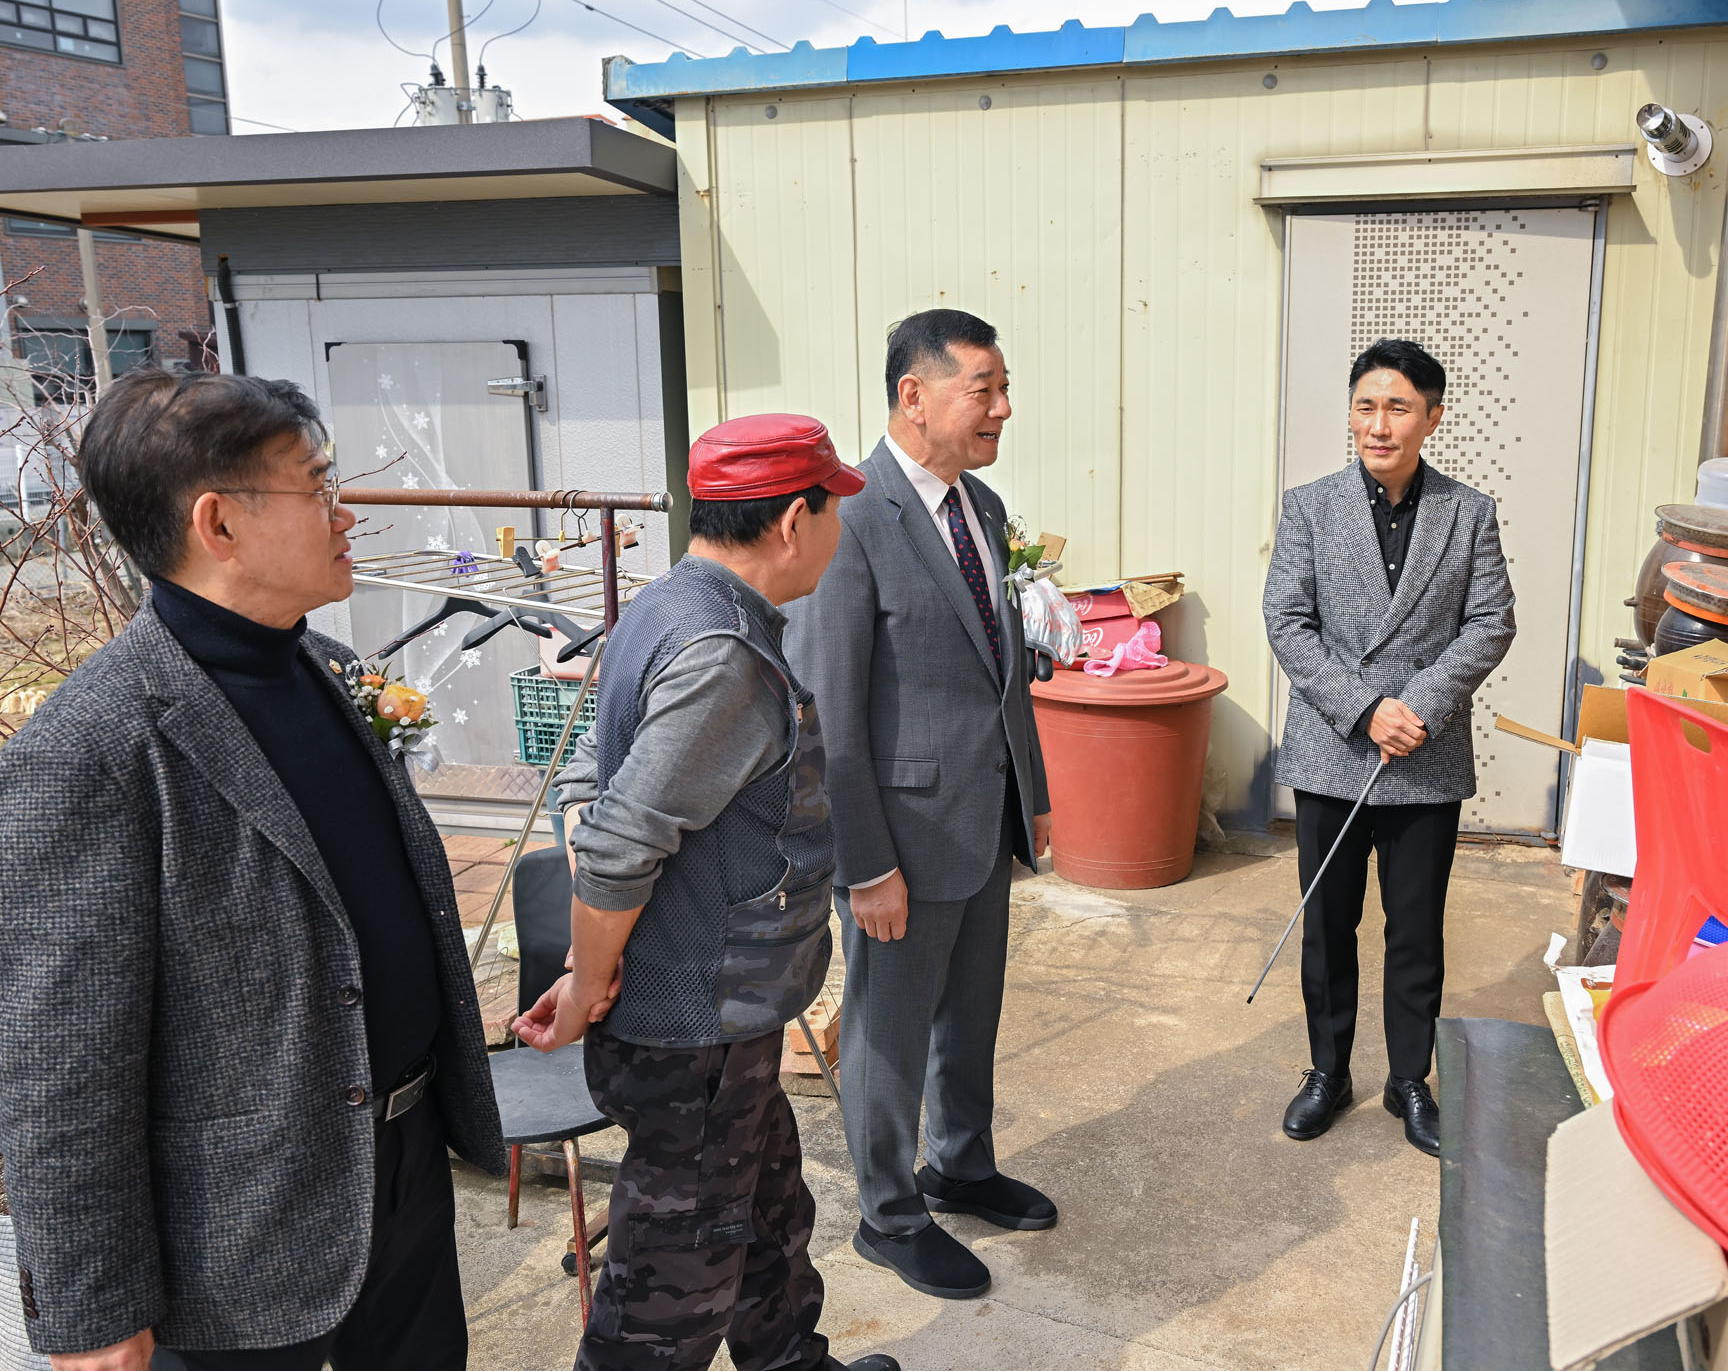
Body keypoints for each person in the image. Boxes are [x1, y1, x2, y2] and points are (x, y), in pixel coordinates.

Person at [0, 370, 504, 1370]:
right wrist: (95, 1309)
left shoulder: (323, 666)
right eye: (317, 487)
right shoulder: (95, 747)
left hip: (404, 1159)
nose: (345, 513)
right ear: (218, 523)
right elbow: (60, 1064)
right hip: (238, 1235)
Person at [517, 414, 898, 1371]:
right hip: (695, 1027)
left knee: (767, 1216)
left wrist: (599, 960)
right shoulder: (723, 652)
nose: (839, 531)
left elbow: (596, 786)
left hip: (724, 1018)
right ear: (794, 522)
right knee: (671, 1289)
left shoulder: (665, 604)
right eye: (834, 510)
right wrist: (588, 979)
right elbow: (620, 841)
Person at [783, 309, 1054, 1301]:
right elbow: (831, 713)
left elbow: (1001, 673)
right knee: (888, 1034)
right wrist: (865, 864)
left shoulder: (982, 504)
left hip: (983, 819)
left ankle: (961, 1165)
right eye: (984, 387)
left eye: (1003, 387)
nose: (1002, 407)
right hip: (898, 838)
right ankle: (889, 1214)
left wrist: (1033, 793)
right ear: (914, 394)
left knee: (971, 1012)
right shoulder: (850, 518)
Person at [1262, 338, 1516, 1154]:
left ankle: (1411, 1079)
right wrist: (1365, 708)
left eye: (1398, 407)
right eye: (1366, 406)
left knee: (1415, 931)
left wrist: (1420, 707)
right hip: (1334, 749)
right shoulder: (1310, 506)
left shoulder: (1467, 512)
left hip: (1423, 754)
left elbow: (1491, 622)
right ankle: (1327, 1072)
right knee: (1328, 927)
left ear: (1431, 418)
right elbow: (1288, 621)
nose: (1379, 424)